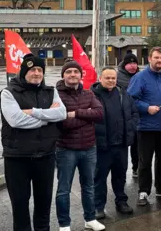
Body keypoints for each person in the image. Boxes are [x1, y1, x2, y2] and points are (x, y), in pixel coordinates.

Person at [0, 53, 67, 231]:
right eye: (32, 70)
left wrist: (34, 112)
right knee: (20, 206)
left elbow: (62, 114)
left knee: (44, 205)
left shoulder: (51, 91)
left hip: (45, 156)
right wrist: (47, 116)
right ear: (23, 72)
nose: (36, 73)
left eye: (40, 70)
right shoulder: (8, 93)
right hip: (17, 157)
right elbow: (16, 120)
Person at [55, 60, 105, 231]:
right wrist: (87, 118)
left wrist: (75, 113)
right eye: (68, 72)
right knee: (63, 189)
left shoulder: (88, 94)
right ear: (63, 75)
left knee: (88, 186)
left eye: (76, 72)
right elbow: (61, 122)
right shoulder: (56, 95)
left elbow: (99, 114)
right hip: (66, 149)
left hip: (89, 147)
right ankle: (64, 224)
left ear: (80, 75)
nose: (72, 75)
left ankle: (90, 219)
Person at [127, 47, 161, 206]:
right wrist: (146, 107)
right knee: (145, 161)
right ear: (149, 59)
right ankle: (143, 191)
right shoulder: (140, 78)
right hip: (146, 127)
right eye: (156, 57)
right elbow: (131, 100)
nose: (159, 60)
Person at [92, 67, 139, 219]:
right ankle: (98, 206)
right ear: (100, 78)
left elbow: (134, 113)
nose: (111, 80)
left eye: (113, 78)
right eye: (107, 78)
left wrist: (131, 127)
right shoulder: (92, 95)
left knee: (120, 176)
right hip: (102, 145)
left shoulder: (123, 94)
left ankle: (121, 201)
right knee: (99, 178)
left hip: (121, 144)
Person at [116, 52, 140, 178]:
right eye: (130, 63)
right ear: (125, 65)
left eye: (135, 63)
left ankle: (136, 167)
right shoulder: (117, 77)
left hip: (137, 115)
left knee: (137, 144)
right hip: (122, 117)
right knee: (123, 145)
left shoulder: (141, 76)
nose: (132, 66)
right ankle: (120, 173)